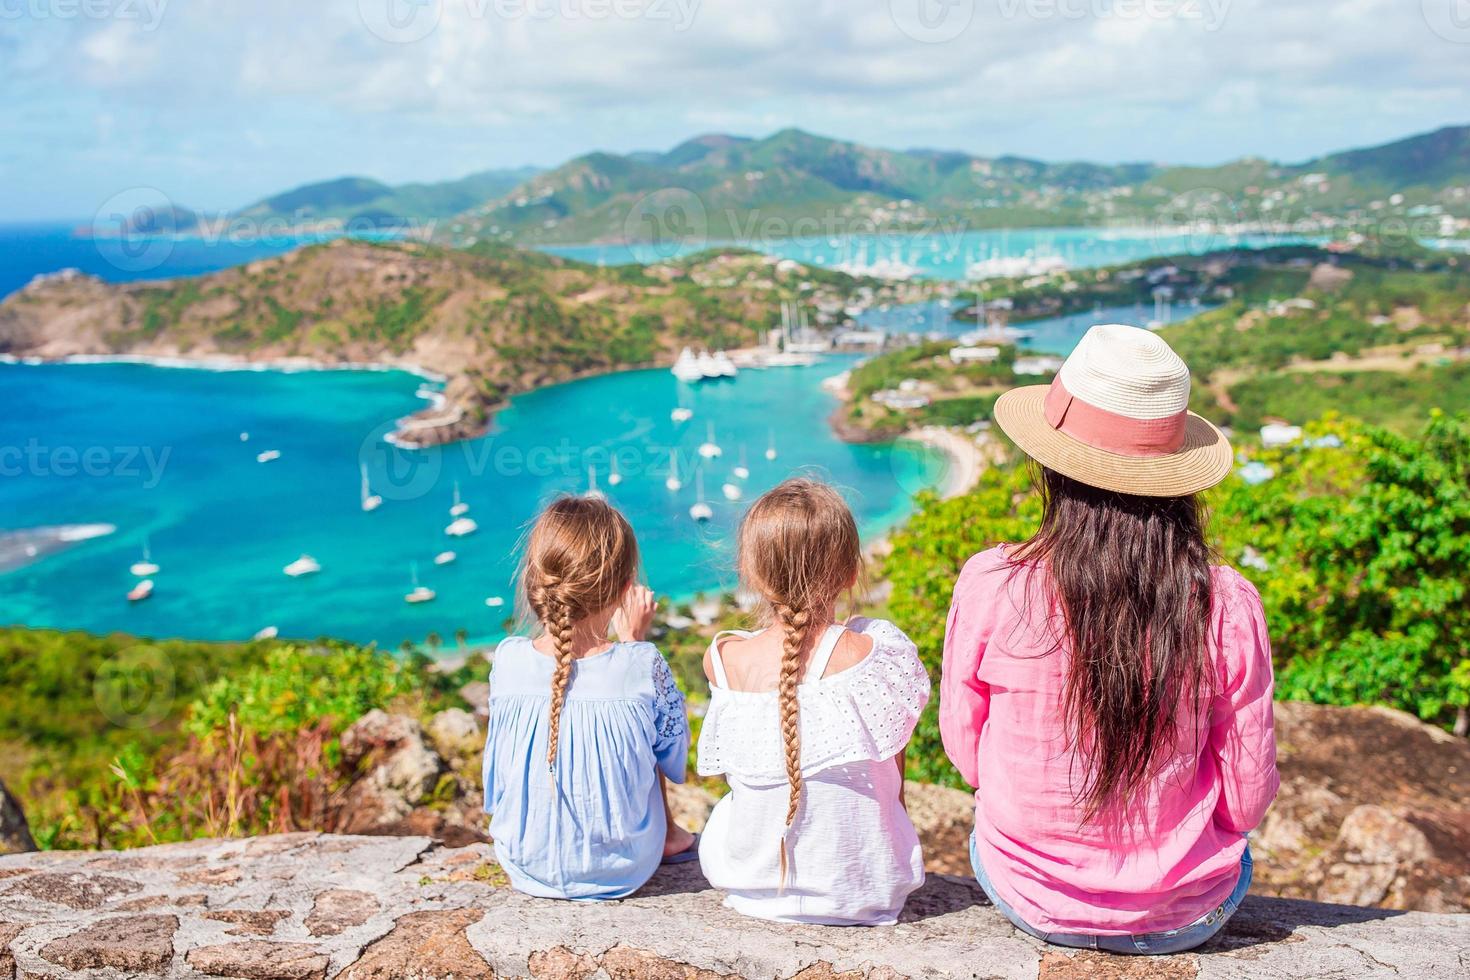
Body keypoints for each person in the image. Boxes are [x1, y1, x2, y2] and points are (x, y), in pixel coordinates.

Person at [941, 323, 1278, 955]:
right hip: (1183, 914)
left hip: (1027, 894)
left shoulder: (990, 583)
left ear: (1053, 465)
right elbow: (1247, 797)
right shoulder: (1226, 603)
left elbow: (966, 753)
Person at [697, 478, 930, 925]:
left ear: (752, 574)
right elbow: (893, 785)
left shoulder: (723, 659)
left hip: (751, 889)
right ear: (850, 572)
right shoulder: (878, 653)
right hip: (866, 892)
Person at [481, 495, 697, 900]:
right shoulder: (642, 663)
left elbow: (495, 777)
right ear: (623, 589)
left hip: (524, 867)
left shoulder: (508, 659)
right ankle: (669, 837)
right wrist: (634, 641)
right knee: (646, 736)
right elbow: (672, 758)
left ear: (535, 582)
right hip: (622, 870)